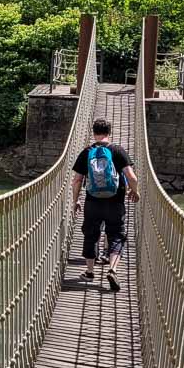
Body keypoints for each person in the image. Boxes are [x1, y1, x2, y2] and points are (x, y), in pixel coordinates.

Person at [70, 118, 140, 292]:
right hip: (115, 202)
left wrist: (75, 200)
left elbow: (77, 180)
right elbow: (132, 177)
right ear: (109, 133)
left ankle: (89, 272)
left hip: (92, 202)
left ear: (93, 133)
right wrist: (135, 191)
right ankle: (112, 269)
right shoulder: (118, 151)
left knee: (90, 233)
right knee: (116, 234)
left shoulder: (86, 152)